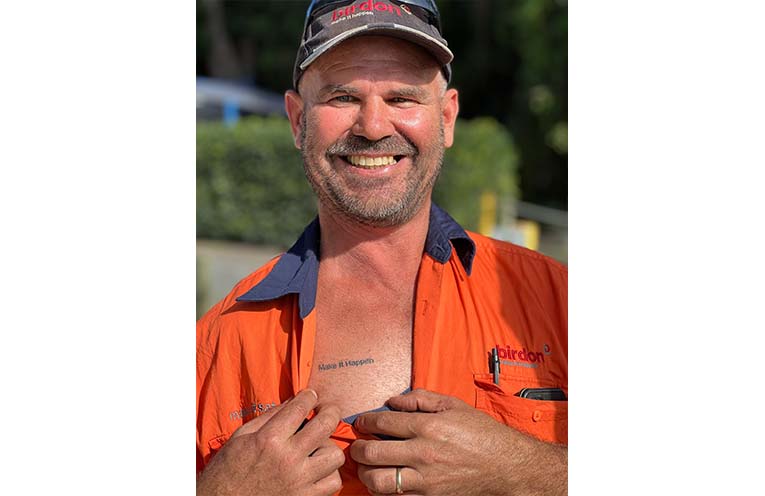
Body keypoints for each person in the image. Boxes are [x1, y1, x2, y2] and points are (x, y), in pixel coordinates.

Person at [196, 0, 568, 494]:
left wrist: (524, 469)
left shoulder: (557, 301)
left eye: (401, 98)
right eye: (343, 97)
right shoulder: (216, 345)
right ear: (297, 120)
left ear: (447, 117)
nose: (373, 127)